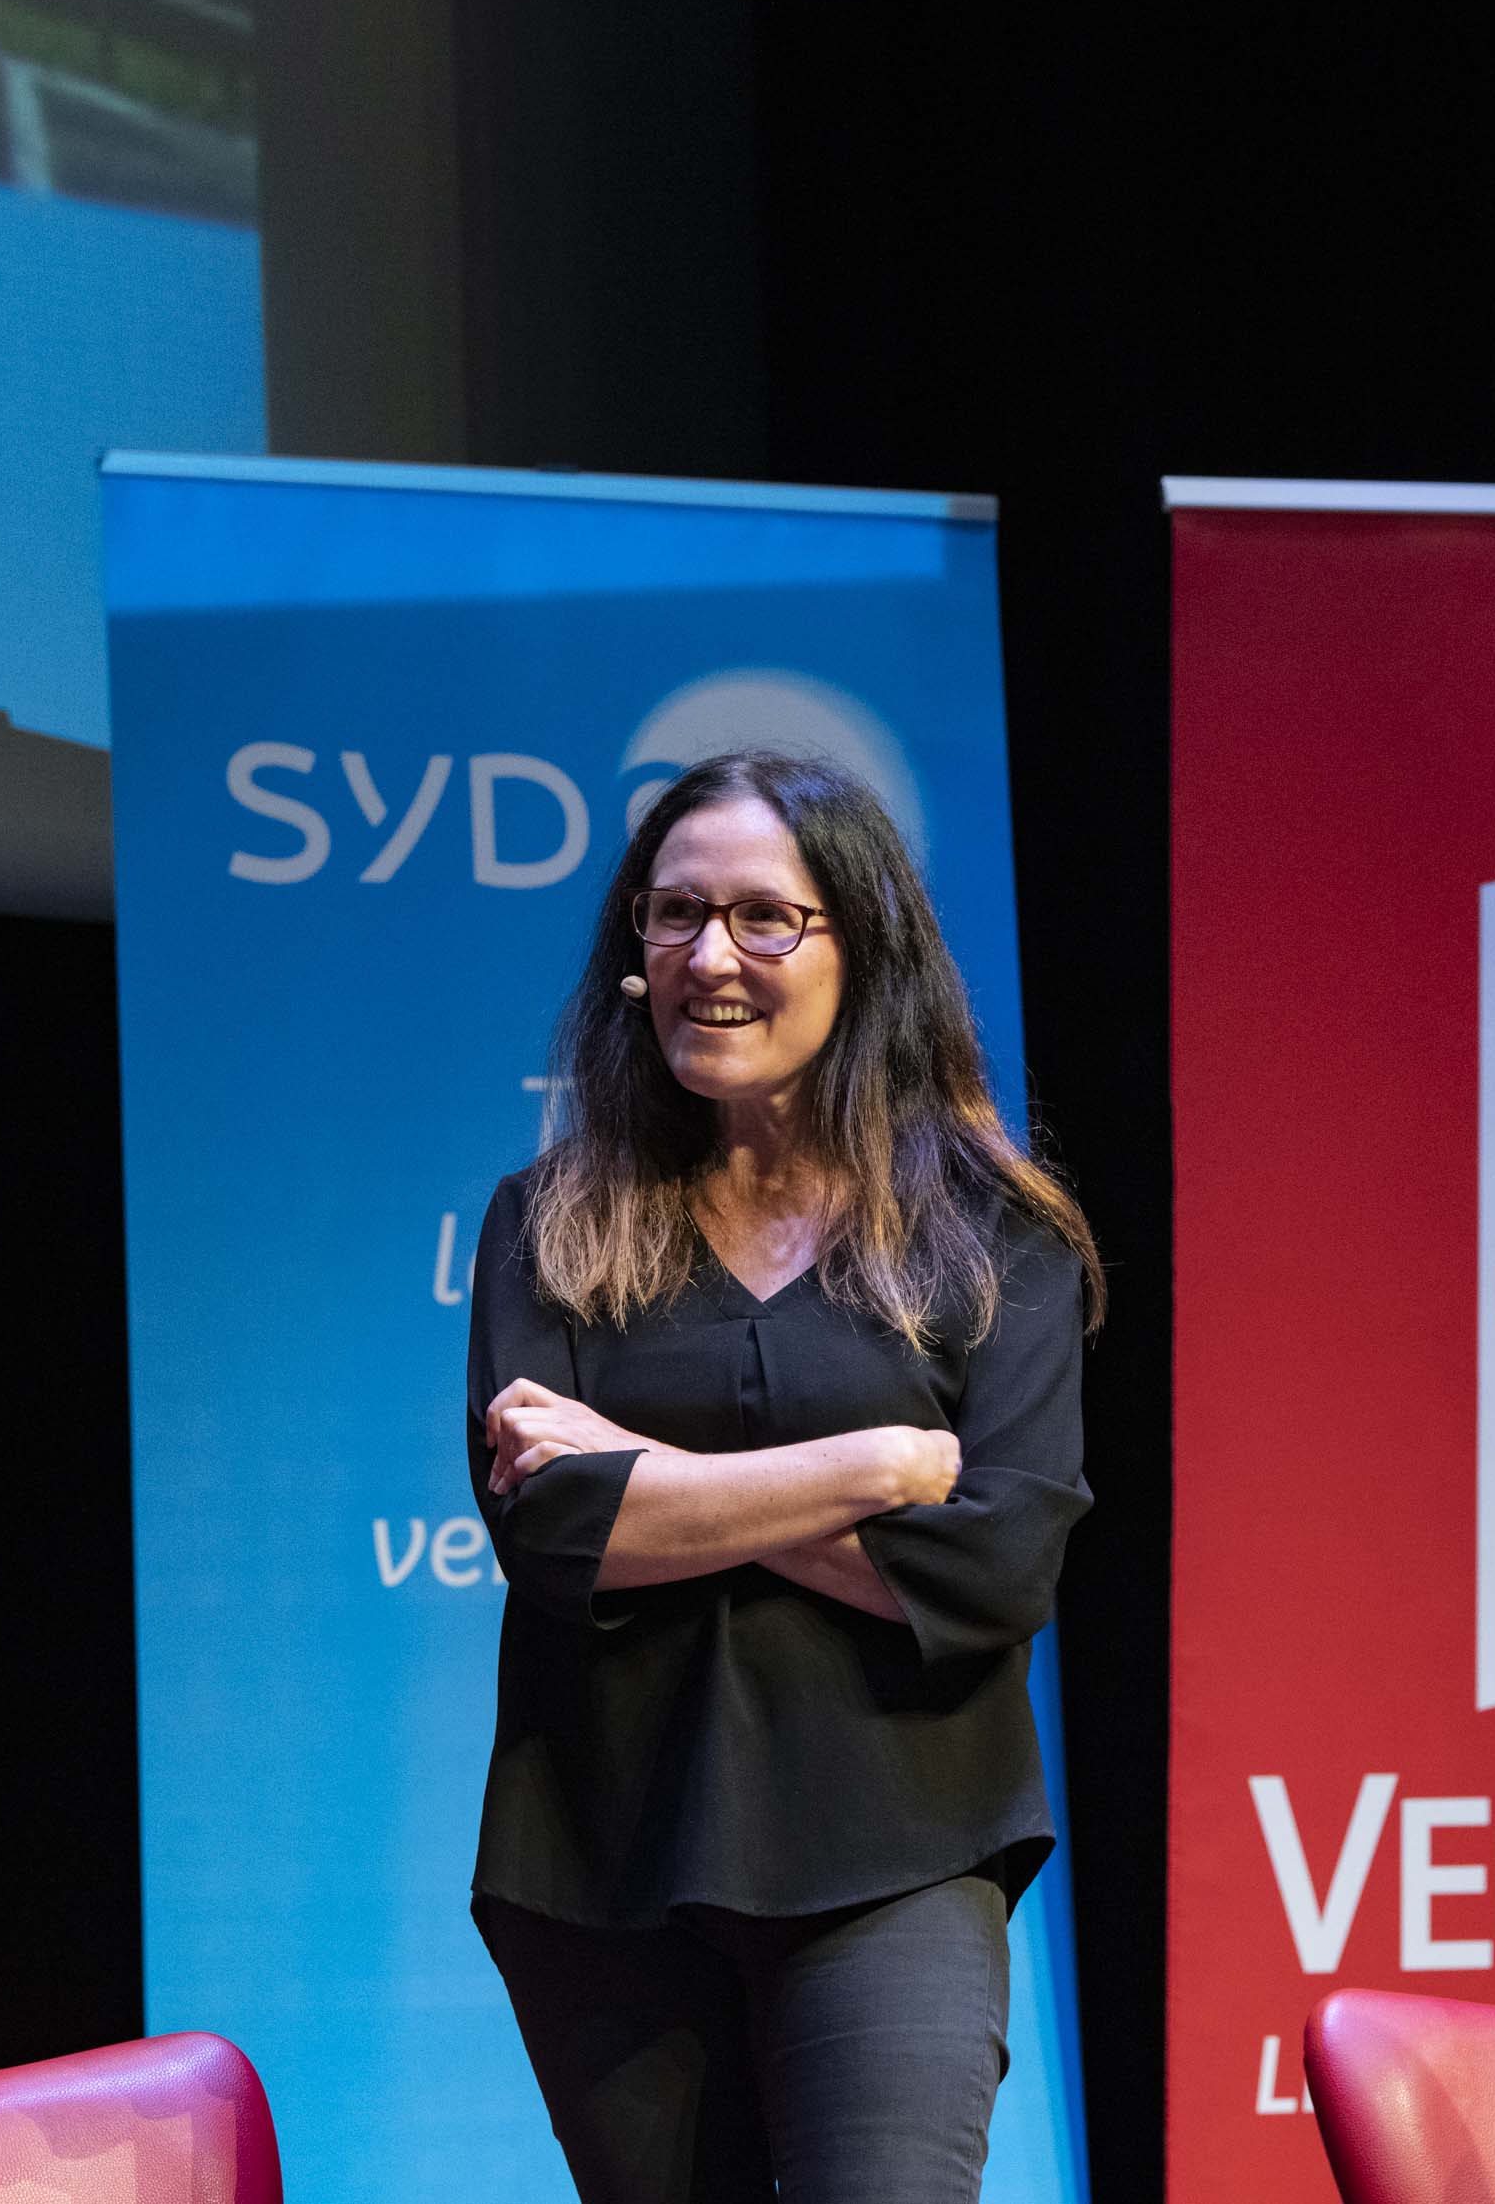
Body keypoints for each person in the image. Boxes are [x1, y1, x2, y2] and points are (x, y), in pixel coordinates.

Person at [463, 748, 1102, 2204]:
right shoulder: (550, 1224)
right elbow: (553, 1533)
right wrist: (872, 1466)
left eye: (765, 917)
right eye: (675, 913)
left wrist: (647, 1477)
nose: (710, 957)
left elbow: (994, 1567)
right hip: (604, 1864)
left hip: (902, 1847)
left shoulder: (995, 1237)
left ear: (861, 947)